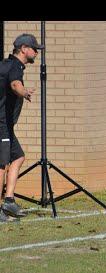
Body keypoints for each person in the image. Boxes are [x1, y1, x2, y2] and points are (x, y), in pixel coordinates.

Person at [0, 34, 43, 222]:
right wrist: (23, 92)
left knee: (17, 157)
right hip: (1, 125)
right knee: (1, 166)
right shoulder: (15, 67)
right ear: (24, 49)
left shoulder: (5, 65)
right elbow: (15, 84)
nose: (36, 53)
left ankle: (9, 200)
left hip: (6, 126)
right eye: (35, 49)